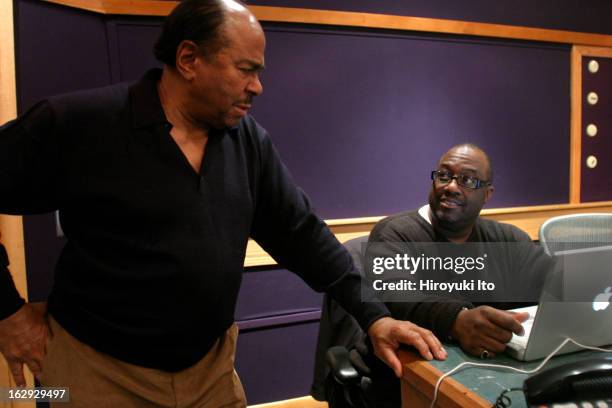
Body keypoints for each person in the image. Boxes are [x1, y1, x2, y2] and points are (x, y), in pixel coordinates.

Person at [0, 1, 446, 406]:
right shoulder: (80, 124)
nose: (258, 87)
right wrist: (8, 314)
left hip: (210, 371)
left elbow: (302, 236)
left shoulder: (248, 140)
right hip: (98, 374)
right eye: (246, 70)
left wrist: (374, 317)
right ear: (189, 59)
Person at [313, 143, 553, 407]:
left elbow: (551, 283)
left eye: (467, 180)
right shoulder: (395, 233)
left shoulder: (508, 240)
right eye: (444, 175)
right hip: (396, 378)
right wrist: (457, 321)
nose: (450, 186)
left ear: (487, 194)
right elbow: (399, 295)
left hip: (483, 375)